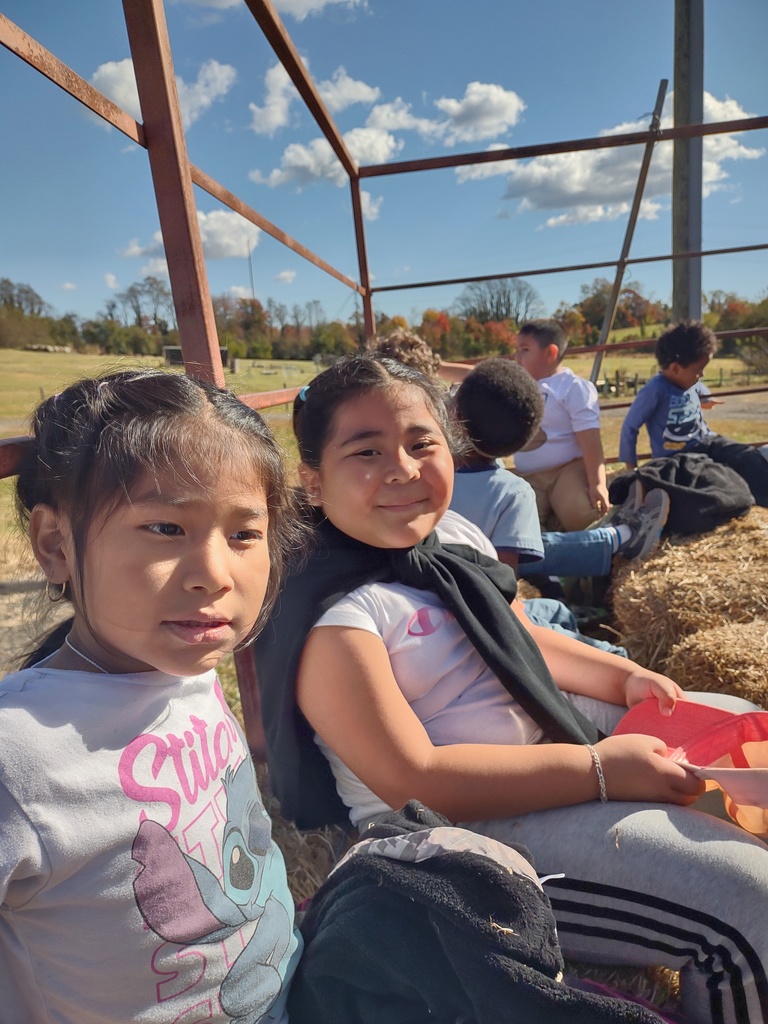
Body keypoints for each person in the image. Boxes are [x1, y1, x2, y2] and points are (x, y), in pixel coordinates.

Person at [255, 354, 768, 1024]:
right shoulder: (334, 615)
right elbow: (417, 776)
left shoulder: (451, 535)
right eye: (366, 451)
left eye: (420, 444)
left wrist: (623, 677)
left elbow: (522, 638)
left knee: (738, 719)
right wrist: (600, 770)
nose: (404, 469)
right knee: (748, 906)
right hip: (463, 827)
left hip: (534, 742)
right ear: (314, 482)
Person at [1, 369, 303, 1024]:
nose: (215, 576)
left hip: (295, 985)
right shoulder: (18, 750)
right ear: (57, 545)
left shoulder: (189, 669)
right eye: (166, 529)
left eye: (245, 534)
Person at [451, 357, 670, 579]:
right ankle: (619, 539)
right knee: (519, 550)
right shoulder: (511, 489)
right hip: (463, 566)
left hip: (449, 562)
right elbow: (503, 576)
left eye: (452, 393)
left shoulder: (434, 465)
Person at [619, 320, 768, 505]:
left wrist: (705, 401)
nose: (701, 375)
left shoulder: (690, 380)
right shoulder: (655, 390)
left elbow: (700, 391)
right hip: (679, 457)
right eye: (699, 370)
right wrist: (632, 470)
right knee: (719, 478)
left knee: (745, 456)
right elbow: (630, 427)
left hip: (707, 441)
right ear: (675, 368)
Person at [512, 318, 610, 530]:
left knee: (581, 515)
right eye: (517, 350)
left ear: (551, 353)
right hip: (528, 476)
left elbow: (590, 439)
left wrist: (598, 483)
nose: (517, 357)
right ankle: (554, 523)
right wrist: (437, 366)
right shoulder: (515, 384)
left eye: (525, 350)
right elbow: (476, 376)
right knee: (519, 524)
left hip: (565, 471)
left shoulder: (573, 388)